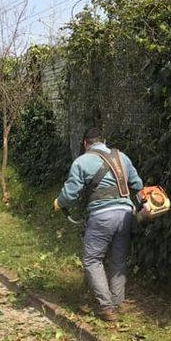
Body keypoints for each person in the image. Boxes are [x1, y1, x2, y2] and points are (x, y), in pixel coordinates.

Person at [54, 128, 143, 322]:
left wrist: (59, 202)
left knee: (92, 260)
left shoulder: (82, 161)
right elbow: (138, 185)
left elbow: (71, 193)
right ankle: (118, 302)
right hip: (126, 214)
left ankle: (106, 307)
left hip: (102, 216)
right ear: (103, 141)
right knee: (118, 260)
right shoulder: (122, 157)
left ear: (86, 143)